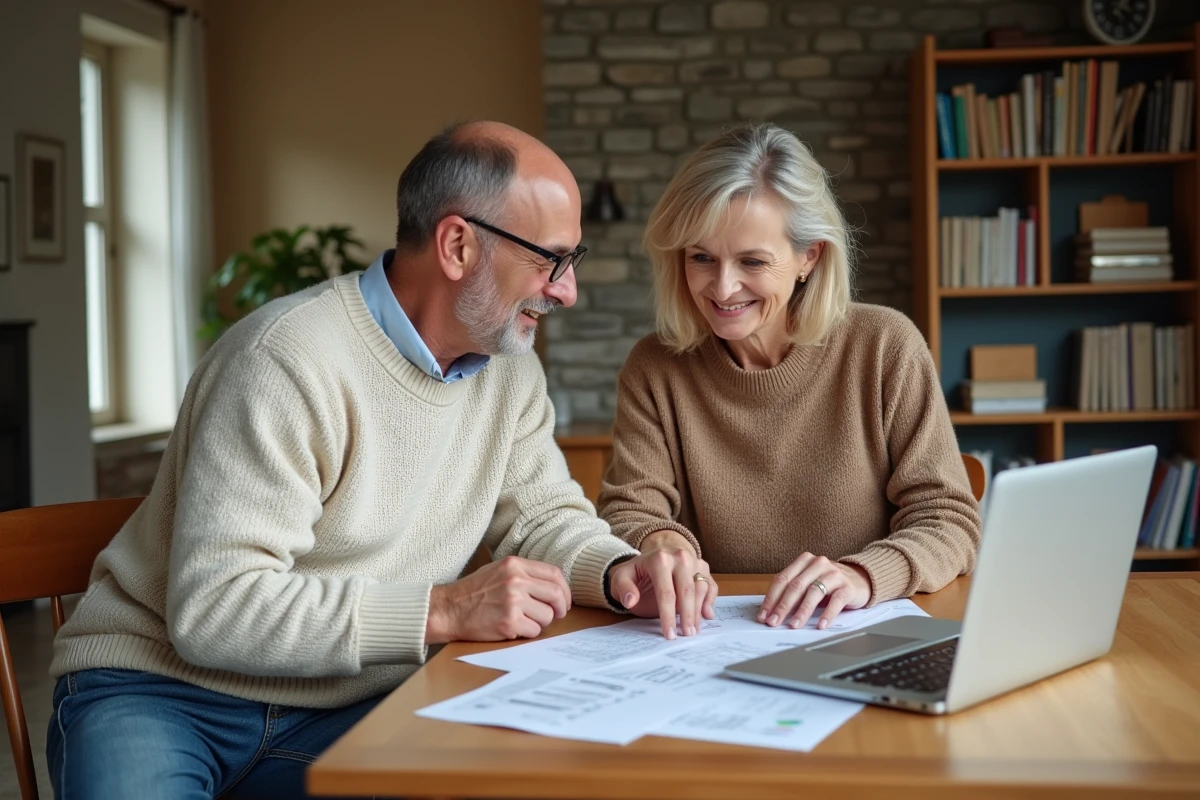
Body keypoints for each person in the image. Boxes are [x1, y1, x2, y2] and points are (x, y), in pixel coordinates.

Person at [46, 121, 711, 800]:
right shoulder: (283, 360)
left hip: (351, 705)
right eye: (552, 259)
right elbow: (216, 609)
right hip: (162, 692)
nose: (567, 291)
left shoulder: (509, 375)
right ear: (457, 245)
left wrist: (621, 571)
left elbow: (544, 519)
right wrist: (443, 611)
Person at [599, 122, 980, 636]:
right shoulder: (655, 367)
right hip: (715, 641)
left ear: (809, 257)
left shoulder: (885, 346)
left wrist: (864, 575)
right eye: (701, 258)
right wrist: (659, 542)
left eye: (752, 261)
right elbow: (629, 508)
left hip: (859, 630)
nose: (723, 287)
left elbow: (949, 518)